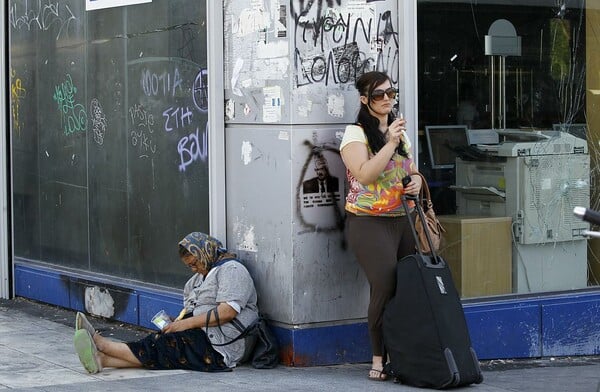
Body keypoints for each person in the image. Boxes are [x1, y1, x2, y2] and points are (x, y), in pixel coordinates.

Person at [73, 232, 260, 374]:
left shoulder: (232, 270)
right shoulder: (197, 279)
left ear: (205, 252)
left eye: (196, 263)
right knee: (163, 345)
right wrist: (177, 321)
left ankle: (104, 345)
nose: (194, 269)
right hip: (205, 336)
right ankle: (103, 360)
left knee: (165, 345)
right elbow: (192, 311)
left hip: (224, 346)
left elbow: (228, 311)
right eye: (190, 266)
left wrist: (184, 324)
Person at [339, 71, 422, 381]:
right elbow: (365, 174)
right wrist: (389, 142)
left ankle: (402, 353)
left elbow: (411, 170)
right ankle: (377, 357)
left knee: (406, 286)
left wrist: (414, 182)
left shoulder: (401, 132)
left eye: (391, 92)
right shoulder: (356, 133)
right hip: (369, 222)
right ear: (364, 100)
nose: (387, 99)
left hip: (403, 219)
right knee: (384, 285)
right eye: (379, 95)